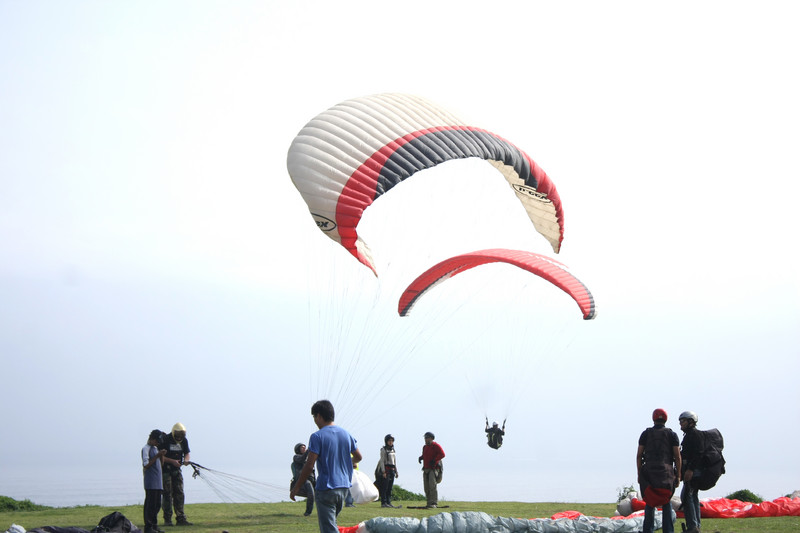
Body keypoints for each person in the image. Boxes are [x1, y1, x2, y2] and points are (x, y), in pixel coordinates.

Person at [290, 400, 362, 533]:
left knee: (328, 529)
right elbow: (358, 457)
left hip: (326, 488)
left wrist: (296, 487)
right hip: (343, 488)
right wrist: (346, 462)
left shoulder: (317, 436)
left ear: (319, 416)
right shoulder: (346, 434)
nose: (315, 421)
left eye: (314, 417)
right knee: (332, 525)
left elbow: (309, 465)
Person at [636, 409, 681, 533]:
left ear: (653, 419)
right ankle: (668, 530)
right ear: (665, 419)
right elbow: (677, 456)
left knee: (650, 501)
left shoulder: (646, 434)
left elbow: (639, 455)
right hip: (666, 472)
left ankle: (647, 530)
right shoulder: (672, 435)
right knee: (666, 501)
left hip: (649, 472)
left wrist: (639, 473)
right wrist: (678, 475)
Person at [159, 423, 192, 526]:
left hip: (177, 471)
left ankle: (181, 518)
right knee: (167, 494)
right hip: (166, 471)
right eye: (177, 434)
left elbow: (187, 453)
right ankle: (167, 519)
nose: (179, 437)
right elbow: (159, 456)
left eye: (181, 435)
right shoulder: (165, 439)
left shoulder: (184, 441)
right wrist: (172, 461)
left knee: (179, 493)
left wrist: (186, 460)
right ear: (173, 433)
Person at [679, 411, 703, 533]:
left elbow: (698, 454)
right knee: (692, 497)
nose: (681, 423)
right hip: (692, 471)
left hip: (693, 471)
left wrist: (690, 470)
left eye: (683, 421)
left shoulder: (694, 435)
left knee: (687, 496)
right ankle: (695, 525)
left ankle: (693, 526)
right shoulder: (689, 435)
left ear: (691, 422)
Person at [142, 430, 167, 533]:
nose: (157, 444)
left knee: (157, 505)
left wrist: (161, 455)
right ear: (152, 439)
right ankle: (148, 526)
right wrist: (157, 455)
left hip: (158, 481)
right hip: (150, 481)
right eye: (156, 441)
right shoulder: (145, 449)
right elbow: (146, 465)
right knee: (150, 505)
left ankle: (154, 525)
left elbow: (161, 464)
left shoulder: (156, 449)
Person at [418, 431, 445, 508]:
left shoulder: (436, 446)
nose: (425, 439)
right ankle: (429, 502)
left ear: (432, 438)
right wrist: (421, 457)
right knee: (426, 487)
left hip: (433, 469)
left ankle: (434, 502)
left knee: (432, 486)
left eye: (427, 438)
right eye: (425, 438)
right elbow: (425, 455)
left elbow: (442, 454)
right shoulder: (425, 447)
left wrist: (435, 460)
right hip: (426, 469)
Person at [291, 443, 316, 516]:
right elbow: (301, 460)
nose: (304, 449)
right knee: (311, 494)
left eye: (305, 448)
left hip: (311, 479)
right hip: (304, 480)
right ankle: (308, 512)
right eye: (302, 448)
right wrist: (308, 451)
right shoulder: (296, 457)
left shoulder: (308, 458)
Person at [375, 434, 400, 508]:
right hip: (386, 469)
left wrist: (396, 471)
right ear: (386, 441)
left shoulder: (393, 450)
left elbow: (394, 461)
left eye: (392, 441)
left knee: (390, 487)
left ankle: (389, 502)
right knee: (384, 487)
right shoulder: (384, 450)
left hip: (392, 470)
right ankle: (384, 502)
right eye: (389, 440)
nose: (391, 442)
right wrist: (383, 472)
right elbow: (382, 461)